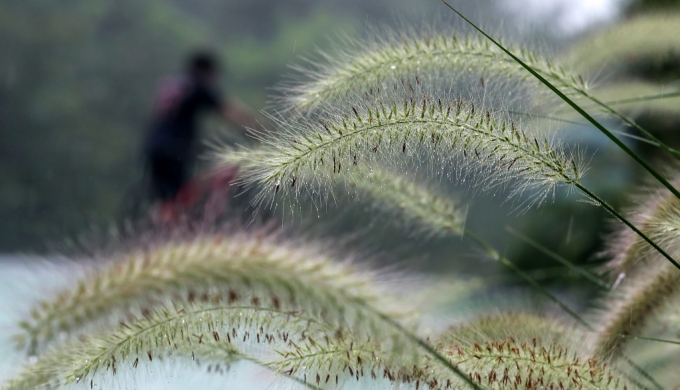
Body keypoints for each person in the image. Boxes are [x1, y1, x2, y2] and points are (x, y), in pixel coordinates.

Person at [143, 51, 258, 221]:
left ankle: (163, 230)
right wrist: (256, 128)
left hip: (154, 146)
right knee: (180, 198)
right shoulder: (197, 86)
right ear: (207, 71)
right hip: (173, 149)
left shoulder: (175, 85)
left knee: (168, 198)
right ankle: (180, 229)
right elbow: (228, 110)